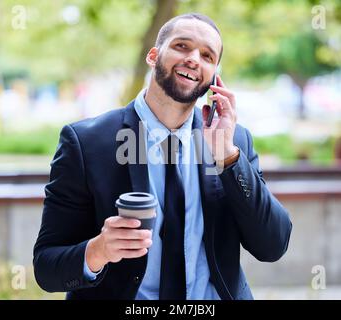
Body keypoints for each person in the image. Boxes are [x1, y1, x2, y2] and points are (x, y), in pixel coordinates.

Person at [33, 13, 292, 300]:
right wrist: (98, 250)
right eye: (182, 46)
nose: (194, 58)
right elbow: (46, 267)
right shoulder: (86, 142)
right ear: (153, 56)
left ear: (215, 77)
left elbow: (273, 245)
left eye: (207, 55)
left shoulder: (233, 140)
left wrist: (229, 157)